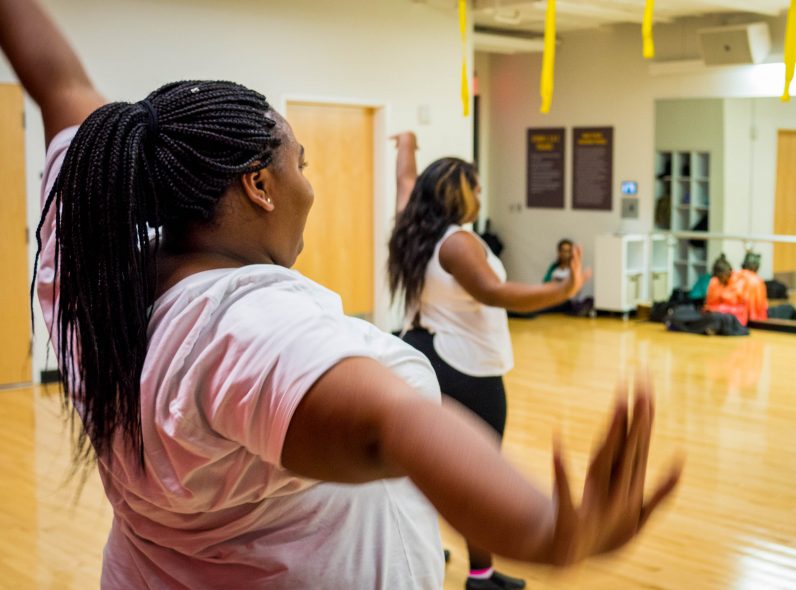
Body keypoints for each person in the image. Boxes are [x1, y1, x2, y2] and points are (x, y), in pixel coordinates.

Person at [3, 1, 681, 587]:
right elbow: (394, 423)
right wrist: (544, 529)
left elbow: (59, 82)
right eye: (299, 162)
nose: (310, 183)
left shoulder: (94, 259)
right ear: (258, 187)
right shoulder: (241, 323)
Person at [388, 133, 610, 589]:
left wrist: (407, 145)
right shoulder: (458, 243)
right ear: (458, 194)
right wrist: (562, 291)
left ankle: (423, 544)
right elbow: (495, 292)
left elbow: (405, 180)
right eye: (477, 187)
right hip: (466, 367)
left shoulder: (414, 226)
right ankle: (480, 575)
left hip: (425, 352)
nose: (481, 196)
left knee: (426, 463)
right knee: (478, 471)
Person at [705, 254, 750, 326]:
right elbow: (710, 303)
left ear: (727, 273)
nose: (720, 279)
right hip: (717, 315)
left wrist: (721, 308)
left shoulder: (740, 282)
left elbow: (742, 307)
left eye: (721, 277)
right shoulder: (714, 281)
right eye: (718, 277)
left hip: (736, 319)